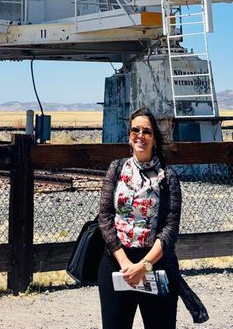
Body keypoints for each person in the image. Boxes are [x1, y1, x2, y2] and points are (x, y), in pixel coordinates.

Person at [97, 107, 182, 329]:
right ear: (129, 137)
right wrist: (126, 264)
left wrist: (142, 267)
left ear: (155, 139)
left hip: (155, 263)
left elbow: (170, 229)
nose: (140, 136)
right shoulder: (116, 169)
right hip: (117, 263)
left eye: (147, 131)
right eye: (136, 130)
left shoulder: (168, 176)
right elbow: (105, 217)